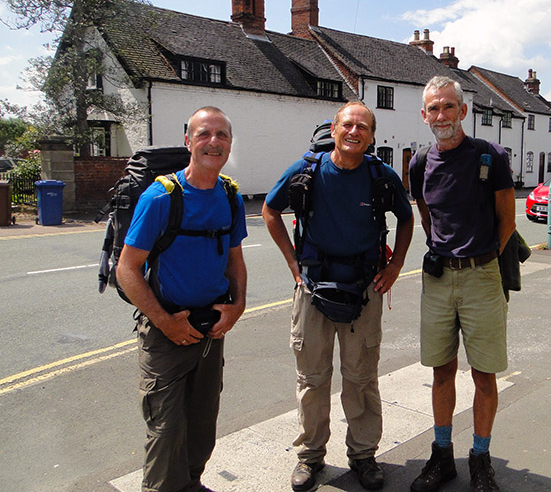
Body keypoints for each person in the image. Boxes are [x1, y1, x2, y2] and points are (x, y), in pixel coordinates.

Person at [262, 101, 414, 491]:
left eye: (363, 127)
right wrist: (293, 264)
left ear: (372, 135)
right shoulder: (307, 170)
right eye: (348, 124)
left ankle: (363, 456)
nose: (354, 132)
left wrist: (395, 266)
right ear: (335, 127)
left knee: (361, 379)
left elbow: (407, 217)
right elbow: (269, 210)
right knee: (312, 380)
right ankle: (310, 457)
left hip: (363, 289)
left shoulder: (381, 175)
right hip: (312, 288)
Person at [118, 106, 248, 492]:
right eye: (204, 134)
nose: (214, 142)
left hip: (211, 329)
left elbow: (234, 259)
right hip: (166, 330)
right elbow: (127, 269)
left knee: (202, 421)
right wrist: (163, 320)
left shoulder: (230, 195)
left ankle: (191, 484)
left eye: (222, 135)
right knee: (165, 428)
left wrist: (238, 306)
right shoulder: (161, 197)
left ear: (229, 144)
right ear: (188, 141)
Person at [408, 76, 515, 492]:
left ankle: (481, 458)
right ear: (424, 115)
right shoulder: (419, 163)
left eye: (448, 107)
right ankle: (441, 457)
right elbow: (426, 216)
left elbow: (507, 221)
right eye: (433, 109)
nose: (441, 116)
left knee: (485, 375)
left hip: (482, 276)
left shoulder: (491, 156)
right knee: (441, 371)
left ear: (463, 110)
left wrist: (480, 258)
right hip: (438, 279)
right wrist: (447, 252)